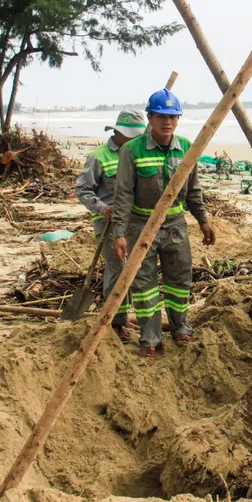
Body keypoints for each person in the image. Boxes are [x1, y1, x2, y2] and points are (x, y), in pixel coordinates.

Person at [111, 89, 215, 359]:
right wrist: (119, 233)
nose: (166, 122)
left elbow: (193, 190)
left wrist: (203, 221)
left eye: (172, 116)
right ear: (150, 118)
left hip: (175, 225)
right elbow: (122, 195)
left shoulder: (185, 148)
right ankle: (150, 337)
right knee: (144, 285)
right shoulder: (131, 151)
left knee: (179, 280)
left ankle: (180, 326)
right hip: (141, 225)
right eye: (160, 116)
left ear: (178, 118)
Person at [75, 108, 147, 343]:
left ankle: (124, 315)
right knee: (117, 270)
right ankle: (114, 321)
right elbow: (83, 189)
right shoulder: (99, 156)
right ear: (118, 132)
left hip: (135, 222)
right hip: (108, 224)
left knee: (134, 270)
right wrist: (102, 207)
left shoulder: (138, 153)